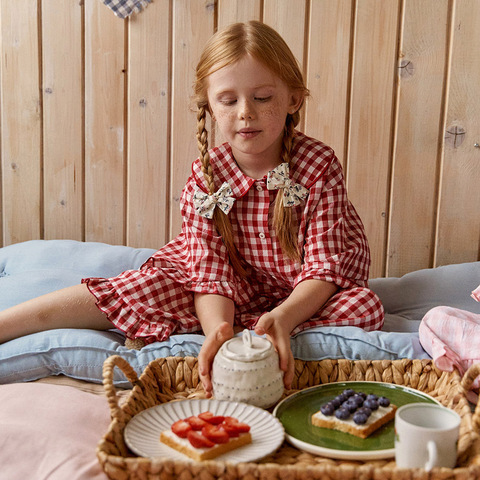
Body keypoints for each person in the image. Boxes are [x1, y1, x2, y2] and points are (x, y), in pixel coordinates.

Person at [0, 21, 384, 395]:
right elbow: (209, 273)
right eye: (228, 100)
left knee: (363, 308)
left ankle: (258, 329)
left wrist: (283, 317)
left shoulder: (318, 164)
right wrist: (218, 327)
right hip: (221, 288)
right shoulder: (207, 176)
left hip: (304, 290)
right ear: (210, 106)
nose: (245, 112)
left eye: (262, 98)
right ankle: (8, 323)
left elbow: (324, 267)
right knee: (141, 287)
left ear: (293, 99)